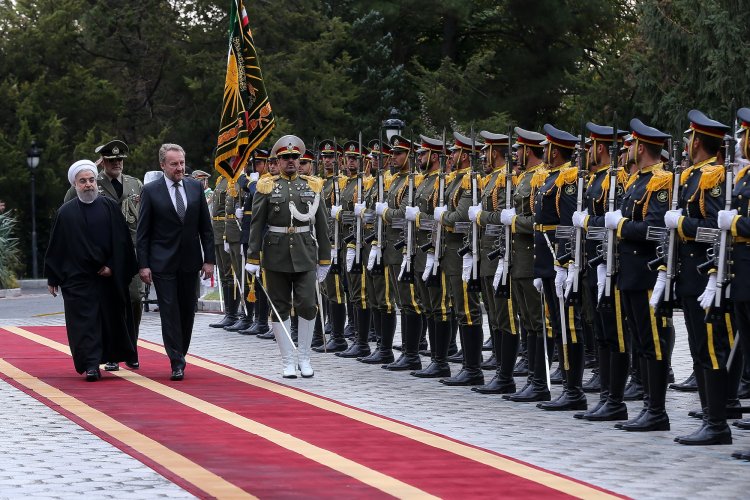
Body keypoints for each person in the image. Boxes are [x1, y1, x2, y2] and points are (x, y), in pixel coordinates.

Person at [245, 135, 331, 378]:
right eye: (285, 158)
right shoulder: (266, 186)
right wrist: (253, 258)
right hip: (276, 253)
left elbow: (322, 225)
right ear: (278, 161)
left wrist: (325, 259)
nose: (291, 161)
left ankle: (304, 357)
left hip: (305, 252)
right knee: (279, 306)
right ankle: (287, 361)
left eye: (295, 157)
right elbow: (256, 224)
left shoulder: (312, 185)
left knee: (307, 304)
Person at [46, 160, 138, 381]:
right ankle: (90, 365)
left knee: (107, 320)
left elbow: (122, 243)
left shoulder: (109, 207)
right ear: (75, 185)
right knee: (84, 324)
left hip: (107, 278)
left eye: (91, 180)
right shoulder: (65, 213)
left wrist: (112, 266)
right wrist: (53, 278)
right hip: (77, 279)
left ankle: (107, 357)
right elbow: (57, 247)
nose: (88, 185)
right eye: (83, 181)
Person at [136, 143, 215, 381]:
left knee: (187, 311)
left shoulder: (195, 187)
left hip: (190, 261)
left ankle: (181, 351)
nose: (179, 168)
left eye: (182, 163)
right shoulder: (151, 191)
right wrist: (143, 265)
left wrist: (209, 260)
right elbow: (143, 232)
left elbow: (205, 228)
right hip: (162, 263)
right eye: (174, 164)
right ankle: (176, 361)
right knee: (169, 312)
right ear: (163, 165)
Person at [63, 140, 144, 371]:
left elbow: (145, 218)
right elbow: (68, 216)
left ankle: (130, 347)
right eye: (111, 160)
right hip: (100, 255)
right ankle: (111, 353)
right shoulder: (88, 181)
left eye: (120, 159)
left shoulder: (135, 184)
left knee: (134, 300)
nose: (117, 163)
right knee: (107, 305)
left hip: (129, 253)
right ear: (103, 162)